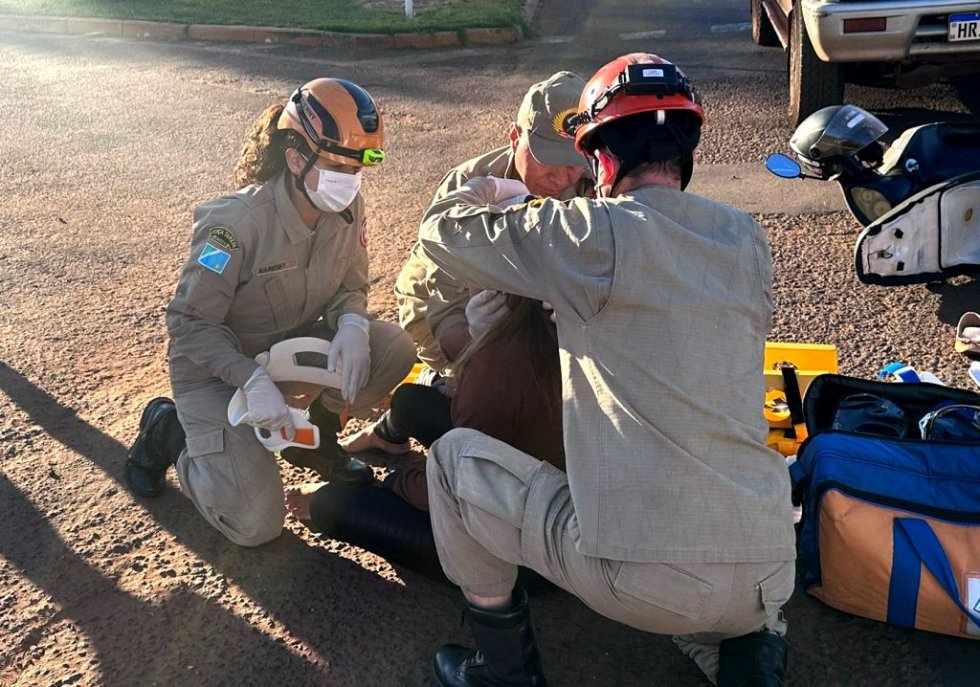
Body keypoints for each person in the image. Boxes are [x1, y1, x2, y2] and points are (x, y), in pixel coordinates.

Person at [416, 54, 796, 687]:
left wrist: (486, 190)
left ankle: (504, 672)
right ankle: (751, 660)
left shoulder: (592, 236)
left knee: (453, 461)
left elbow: (441, 233)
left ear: (603, 160)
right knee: (712, 584)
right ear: (686, 151)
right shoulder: (745, 238)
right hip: (767, 570)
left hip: (646, 578)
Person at [123, 78, 416, 547]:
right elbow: (189, 324)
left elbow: (351, 285)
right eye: (340, 164)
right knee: (256, 525)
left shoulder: (347, 206)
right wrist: (250, 379)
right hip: (217, 371)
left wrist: (354, 322)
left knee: (391, 350)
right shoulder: (233, 226)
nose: (353, 179)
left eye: (362, 166)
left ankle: (315, 438)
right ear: (296, 157)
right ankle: (168, 431)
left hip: (287, 349)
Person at [283, 292, 564, 585]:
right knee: (409, 401)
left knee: (332, 505)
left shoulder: (499, 364)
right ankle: (387, 435)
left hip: (531, 550)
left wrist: (396, 482)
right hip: (551, 499)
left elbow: (465, 488)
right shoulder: (561, 324)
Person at [394, 71, 592, 377]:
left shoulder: (598, 183)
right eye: (546, 160)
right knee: (481, 389)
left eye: (572, 164)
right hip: (447, 311)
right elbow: (443, 312)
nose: (561, 178)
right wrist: (477, 343)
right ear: (515, 138)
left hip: (534, 311)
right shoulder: (467, 190)